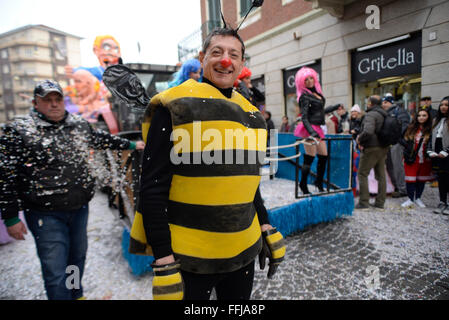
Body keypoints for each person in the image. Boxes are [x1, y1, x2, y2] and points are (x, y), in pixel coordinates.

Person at [130, 27, 285, 300]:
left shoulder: (252, 113)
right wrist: (164, 260)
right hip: (190, 259)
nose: (225, 60)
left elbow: (248, 181)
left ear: (241, 64)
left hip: (243, 254)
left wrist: (264, 224)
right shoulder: (174, 105)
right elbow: (152, 188)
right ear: (202, 57)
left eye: (233, 54)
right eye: (217, 52)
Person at [0, 80, 145, 300]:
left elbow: (100, 139)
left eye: (57, 99)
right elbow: (5, 175)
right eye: (47, 100)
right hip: (44, 213)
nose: (54, 104)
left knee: (76, 259)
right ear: (35, 103)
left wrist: (132, 145)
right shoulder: (18, 131)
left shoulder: (77, 124)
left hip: (78, 208)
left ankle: (76, 294)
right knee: (55, 268)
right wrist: (10, 217)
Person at [293, 67, 341, 194]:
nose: (309, 81)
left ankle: (318, 182)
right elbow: (304, 117)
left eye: (311, 78)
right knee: (309, 158)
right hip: (309, 128)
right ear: (301, 82)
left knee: (323, 157)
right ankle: (303, 184)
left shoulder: (317, 94)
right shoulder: (304, 96)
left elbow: (319, 112)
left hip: (317, 128)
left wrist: (333, 107)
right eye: (306, 79)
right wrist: (311, 132)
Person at [355, 95, 390, 209]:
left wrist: (359, 139)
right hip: (383, 147)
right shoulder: (384, 114)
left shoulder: (371, 114)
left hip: (371, 147)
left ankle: (363, 202)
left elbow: (368, 131)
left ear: (370, 103)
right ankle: (380, 203)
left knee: (362, 173)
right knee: (381, 175)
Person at [400, 107, 434, 208]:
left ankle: (418, 198)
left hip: (425, 158)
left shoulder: (431, 129)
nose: (421, 118)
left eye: (424, 115)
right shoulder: (410, 127)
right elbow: (401, 139)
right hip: (411, 158)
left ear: (428, 117)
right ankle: (410, 199)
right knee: (410, 179)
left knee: (421, 179)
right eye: (419, 115)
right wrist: (407, 147)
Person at [382, 95, 411, 198]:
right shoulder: (385, 113)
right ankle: (396, 186)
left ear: (391, 102)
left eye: (385, 102)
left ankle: (403, 189)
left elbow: (405, 126)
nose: (383, 104)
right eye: (382, 103)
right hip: (388, 144)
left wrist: (396, 139)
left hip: (397, 143)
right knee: (390, 166)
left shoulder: (400, 111)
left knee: (397, 166)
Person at [427, 96, 449, 215]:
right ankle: (442, 201)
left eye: (446, 105)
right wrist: (430, 150)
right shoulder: (436, 120)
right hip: (438, 153)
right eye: (442, 105)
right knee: (441, 178)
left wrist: (447, 151)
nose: (443, 107)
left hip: (447, 152)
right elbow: (431, 137)